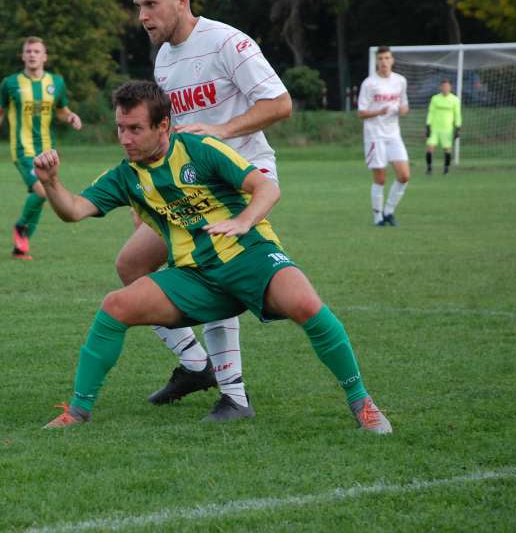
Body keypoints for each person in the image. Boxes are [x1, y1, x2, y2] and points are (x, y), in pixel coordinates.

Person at [37, 80, 391, 433]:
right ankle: (78, 412)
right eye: (120, 128)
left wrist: (243, 221)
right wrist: (53, 183)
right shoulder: (126, 176)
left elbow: (266, 187)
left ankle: (363, 403)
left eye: (135, 129)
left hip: (250, 255)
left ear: (164, 126)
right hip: (196, 276)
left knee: (307, 306)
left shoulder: (200, 148)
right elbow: (74, 210)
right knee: (115, 306)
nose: (125, 139)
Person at [120, 0, 293, 418]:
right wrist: (148, 193)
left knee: (208, 269)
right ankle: (198, 366)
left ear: (183, 0)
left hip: (239, 178)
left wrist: (221, 130)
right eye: (138, 6)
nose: (143, 16)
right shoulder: (163, 60)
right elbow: (166, 134)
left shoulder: (227, 42)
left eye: (151, 4)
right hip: (186, 185)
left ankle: (234, 395)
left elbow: (280, 103)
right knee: (131, 265)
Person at [0, 37, 82, 260]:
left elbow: (62, 110)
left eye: (37, 51)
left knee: (44, 195)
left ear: (44, 56)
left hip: (48, 150)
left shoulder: (56, 82)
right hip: (23, 150)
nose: (33, 55)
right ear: (23, 56)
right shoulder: (11, 83)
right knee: (42, 191)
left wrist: (71, 117)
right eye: (29, 51)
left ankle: (21, 246)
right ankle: (21, 228)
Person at [357, 46, 410, 226]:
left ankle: (389, 211)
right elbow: (361, 113)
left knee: (404, 176)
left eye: (387, 58)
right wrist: (379, 111)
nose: (384, 62)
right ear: (377, 61)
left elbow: (404, 104)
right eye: (380, 59)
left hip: (394, 135)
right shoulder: (369, 83)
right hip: (374, 136)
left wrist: (403, 109)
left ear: (392, 60)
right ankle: (378, 216)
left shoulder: (400, 81)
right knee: (380, 178)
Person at [425, 78, 461, 174]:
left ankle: (446, 169)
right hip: (435, 128)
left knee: (447, 149)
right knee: (430, 148)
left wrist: (457, 127)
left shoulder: (455, 100)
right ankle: (429, 168)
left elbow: (457, 114)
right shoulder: (435, 98)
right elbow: (431, 112)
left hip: (447, 129)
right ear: (441, 87)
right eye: (443, 86)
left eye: (447, 86)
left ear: (450, 87)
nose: (445, 88)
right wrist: (428, 125)